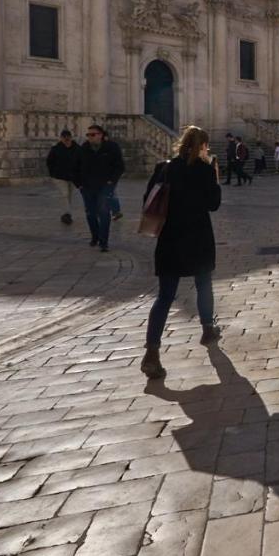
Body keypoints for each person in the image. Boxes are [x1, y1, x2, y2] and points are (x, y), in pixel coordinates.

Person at [140, 125, 223, 379]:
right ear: (202, 146)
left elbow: (148, 200)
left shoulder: (164, 168)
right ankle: (207, 328)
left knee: (165, 296)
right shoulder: (205, 170)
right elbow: (214, 204)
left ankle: (151, 353)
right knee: (203, 284)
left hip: (170, 238)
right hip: (197, 237)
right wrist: (214, 176)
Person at [74, 124, 125, 252]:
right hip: (87, 186)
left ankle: (104, 241)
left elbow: (119, 166)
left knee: (104, 212)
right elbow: (75, 167)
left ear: (101, 135)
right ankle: (95, 236)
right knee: (90, 213)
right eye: (88, 135)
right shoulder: (83, 149)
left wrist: (111, 181)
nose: (90, 137)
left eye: (93, 134)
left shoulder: (111, 148)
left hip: (105, 186)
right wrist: (78, 184)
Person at [46, 129, 79, 225]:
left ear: (71, 138)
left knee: (69, 196)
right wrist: (52, 173)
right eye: (64, 138)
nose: (66, 140)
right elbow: (49, 162)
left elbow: (82, 161)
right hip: (59, 177)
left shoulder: (77, 148)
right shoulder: (56, 149)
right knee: (65, 194)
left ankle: (65, 213)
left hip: (73, 177)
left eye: (68, 138)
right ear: (61, 138)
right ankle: (67, 214)